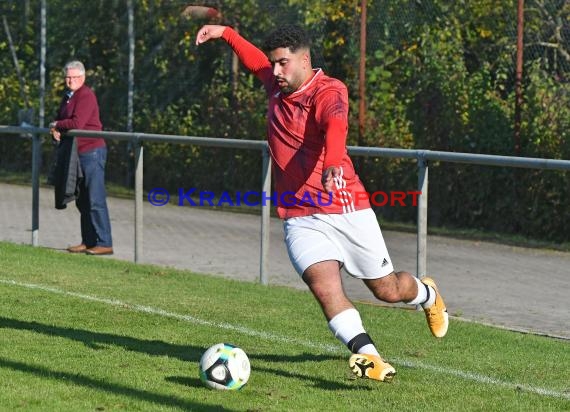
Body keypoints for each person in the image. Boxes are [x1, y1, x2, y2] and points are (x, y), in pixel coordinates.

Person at [195, 24, 448, 382]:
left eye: (283, 63)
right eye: (274, 64)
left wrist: (332, 164)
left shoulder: (329, 91)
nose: (276, 72)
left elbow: (335, 127)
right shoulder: (277, 83)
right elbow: (254, 63)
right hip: (299, 217)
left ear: (304, 60)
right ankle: (369, 356)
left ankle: (426, 294)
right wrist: (226, 32)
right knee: (324, 285)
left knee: (387, 289)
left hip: (345, 207)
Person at [49, 60, 113, 256]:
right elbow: (60, 118)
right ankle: (88, 241)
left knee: (95, 198)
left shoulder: (85, 95)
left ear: (82, 78)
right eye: (68, 77)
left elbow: (77, 122)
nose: (70, 81)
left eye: (74, 77)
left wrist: (57, 124)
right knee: (82, 200)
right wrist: (54, 127)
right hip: (77, 152)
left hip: (92, 152)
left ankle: (104, 242)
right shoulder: (68, 96)